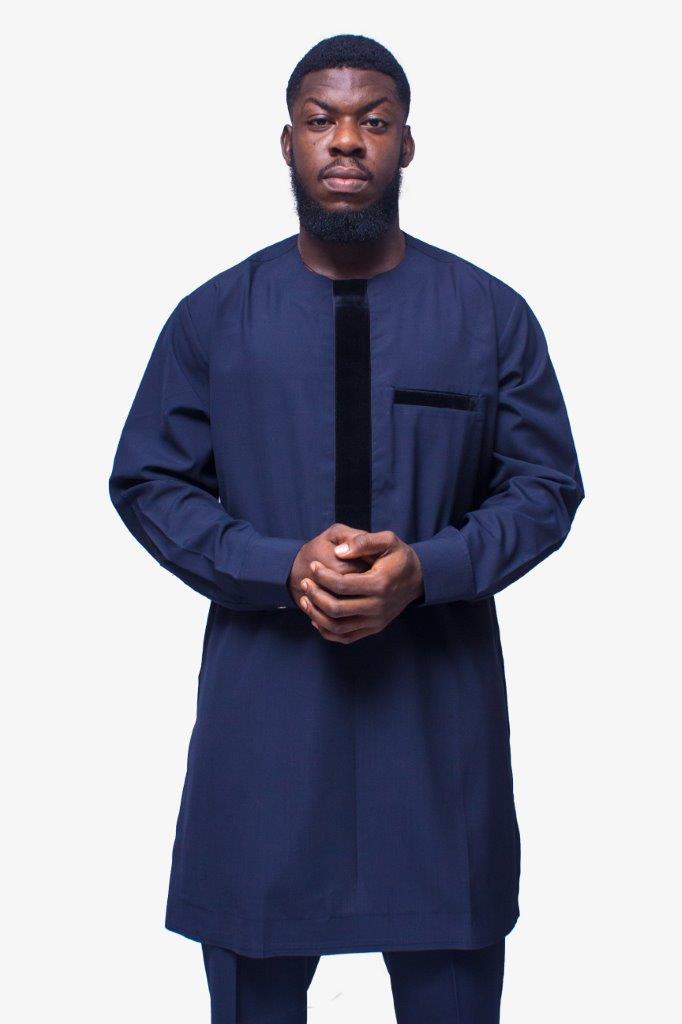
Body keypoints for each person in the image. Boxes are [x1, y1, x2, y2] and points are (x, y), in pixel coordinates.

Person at [108, 33, 585, 1024]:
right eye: (321, 120)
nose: (346, 141)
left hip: (436, 731)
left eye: (373, 120)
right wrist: (278, 566)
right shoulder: (215, 318)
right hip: (266, 729)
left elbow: (543, 487)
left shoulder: (488, 315)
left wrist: (429, 567)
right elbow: (151, 479)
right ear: (286, 143)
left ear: (407, 144)